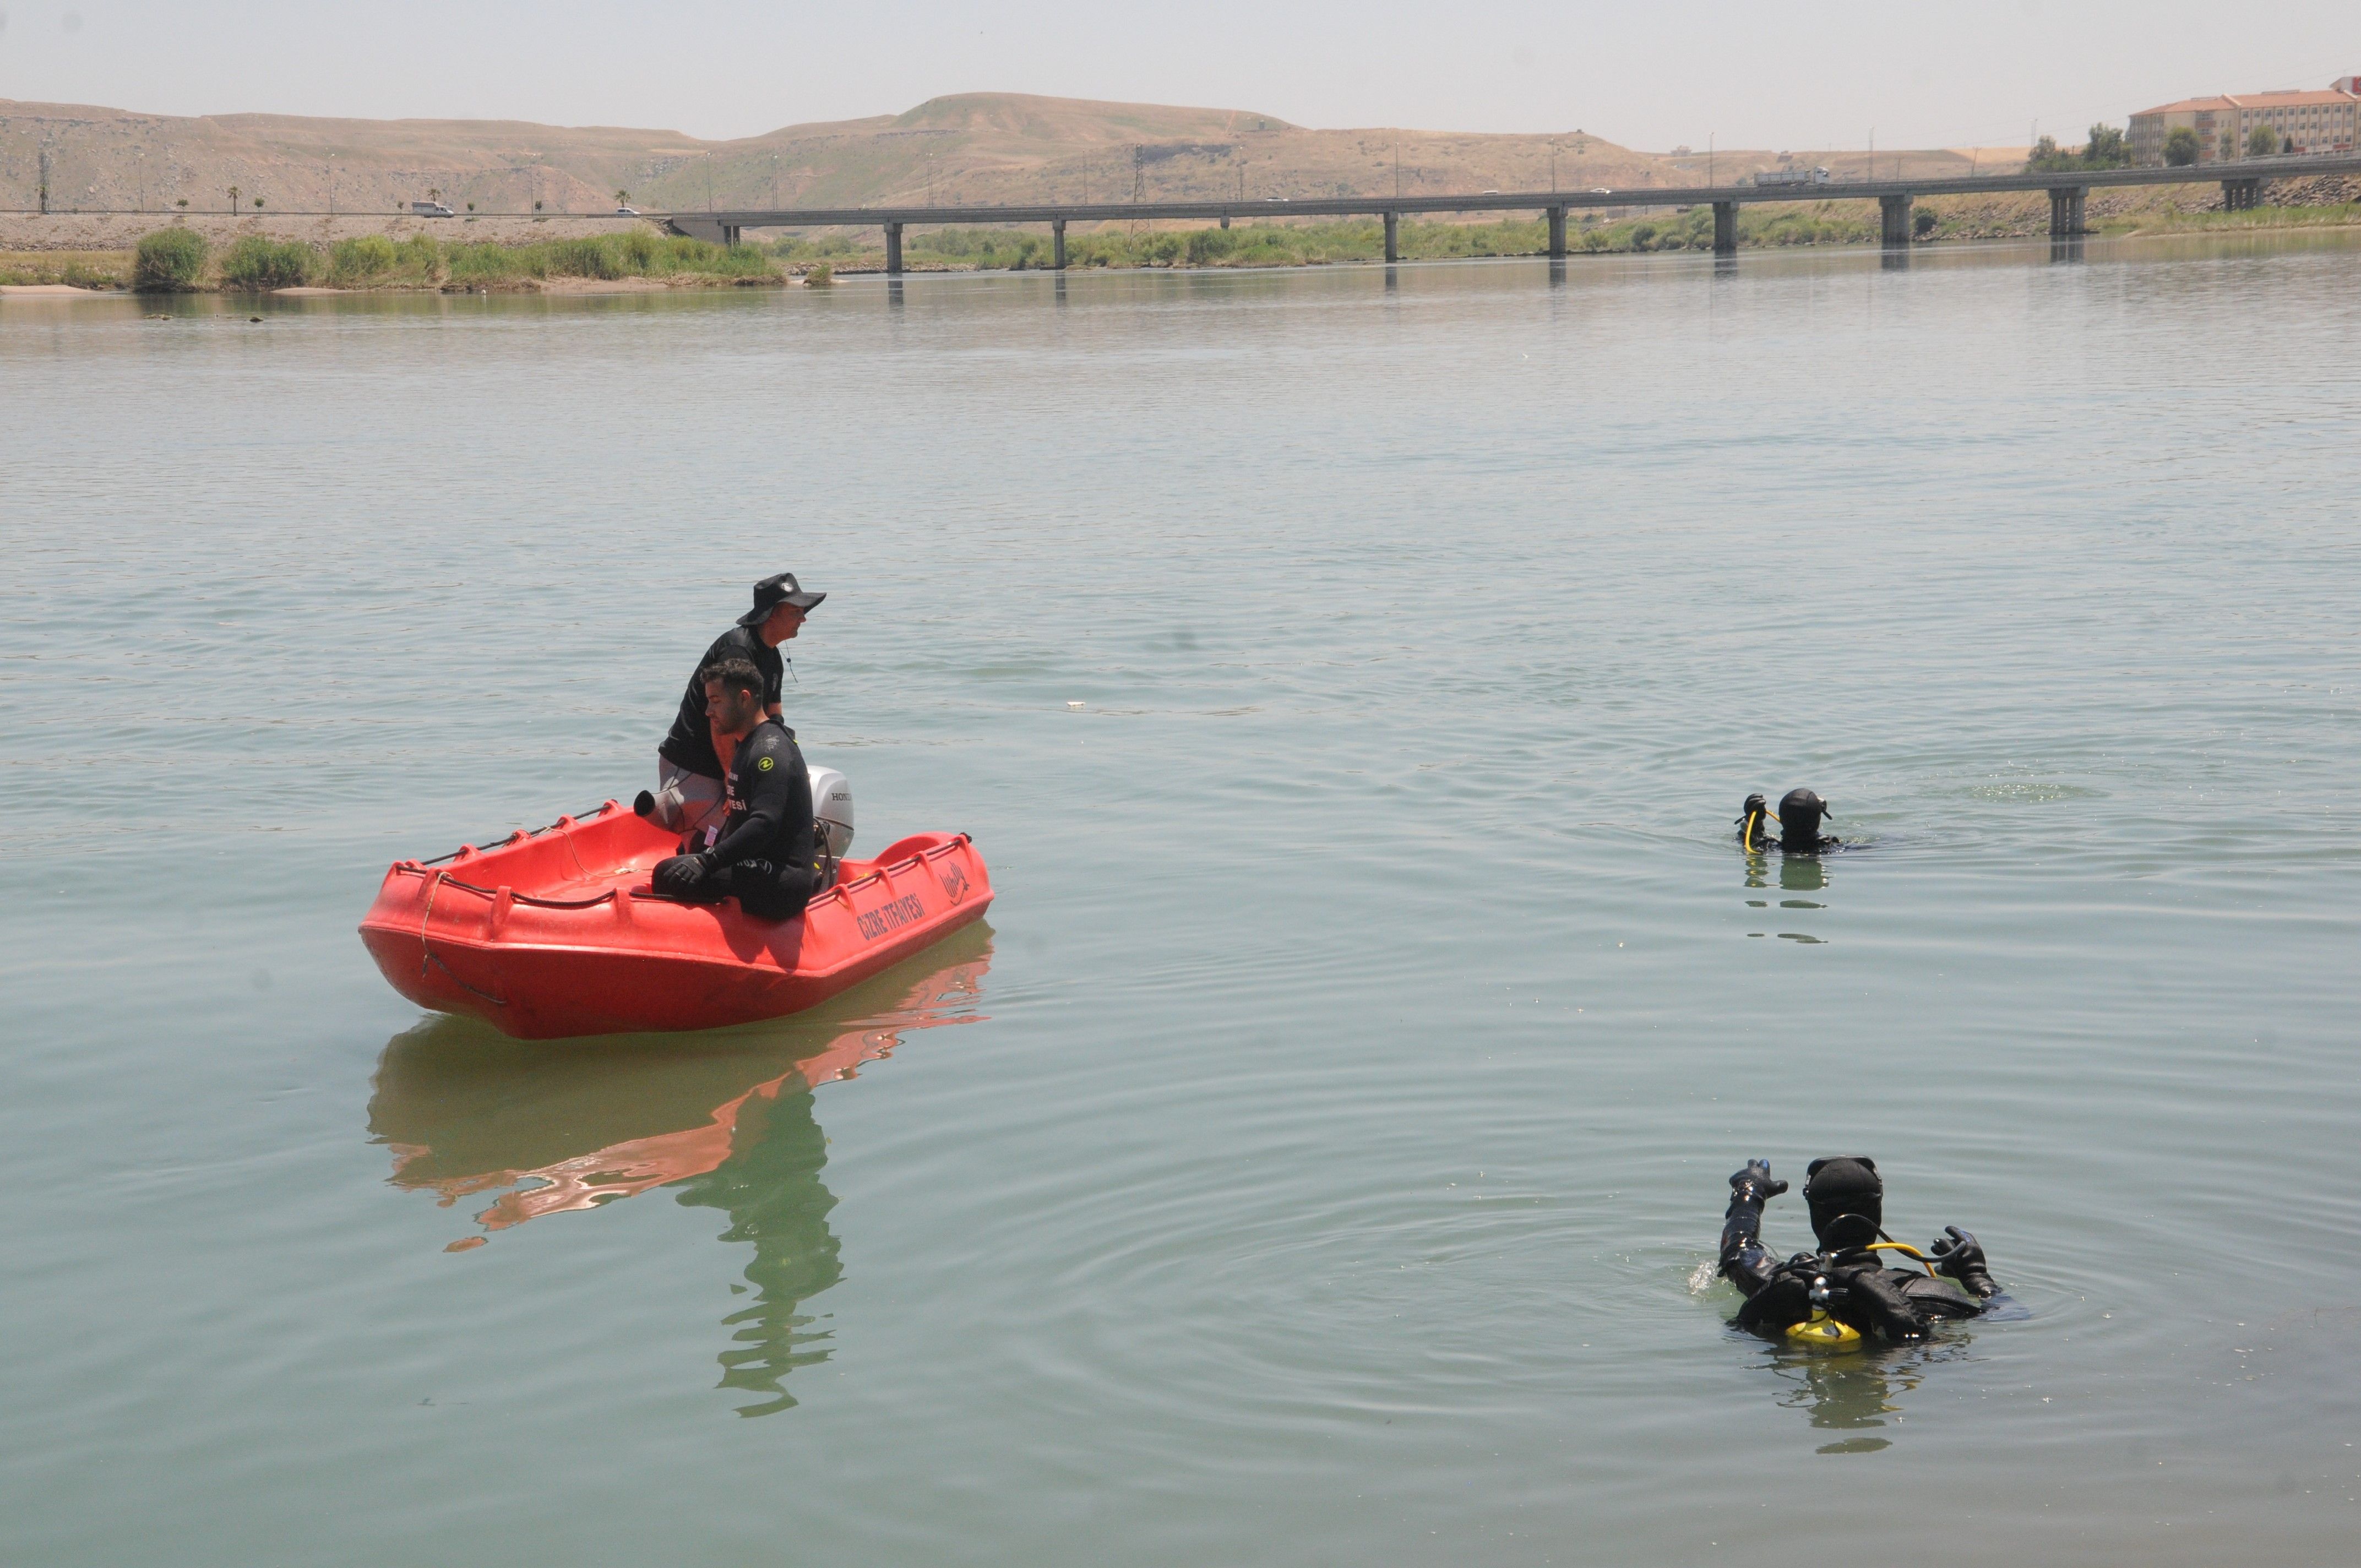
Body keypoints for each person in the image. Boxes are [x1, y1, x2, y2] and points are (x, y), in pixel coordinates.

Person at [1717, 1157, 2011, 1344]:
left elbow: (1738, 1249)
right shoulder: (1933, 1295)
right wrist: (1977, 1279)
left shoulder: (1781, 1283)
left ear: (1813, 1216)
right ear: (1878, 1213)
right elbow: (2008, 1320)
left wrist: (1748, 1193)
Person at [644, 573, 824, 836]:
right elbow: (719, 723)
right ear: (771, 614)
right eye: (796, 611)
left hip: (732, 763)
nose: (803, 618)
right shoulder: (737, 650)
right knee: (720, 839)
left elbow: (773, 721)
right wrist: (733, 782)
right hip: (696, 764)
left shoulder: (772, 657)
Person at [649, 657, 822, 920]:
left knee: (667, 875)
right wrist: (706, 850)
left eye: (716, 701)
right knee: (687, 856)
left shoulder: (770, 752)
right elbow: (738, 822)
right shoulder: (747, 744)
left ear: (744, 698)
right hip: (757, 863)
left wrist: (708, 861)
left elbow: (764, 824)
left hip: (783, 880)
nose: (708, 711)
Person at [1734, 788, 1840, 853]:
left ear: (1782, 819)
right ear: (1817, 819)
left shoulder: (1769, 847)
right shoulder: (1829, 848)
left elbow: (1745, 841)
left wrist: (1755, 824)